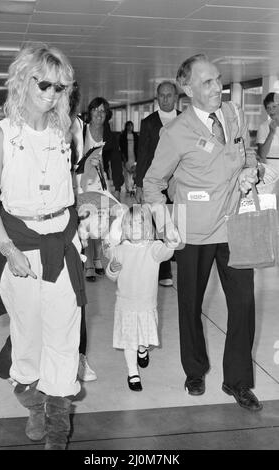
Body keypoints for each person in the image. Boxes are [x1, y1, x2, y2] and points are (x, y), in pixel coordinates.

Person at [143, 53, 263, 411]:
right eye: (208, 81)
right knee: (190, 306)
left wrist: (251, 171)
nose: (218, 87)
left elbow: (248, 154)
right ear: (187, 87)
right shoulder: (175, 133)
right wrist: (167, 228)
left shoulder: (233, 115)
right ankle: (194, 371)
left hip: (235, 226)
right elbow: (153, 183)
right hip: (193, 234)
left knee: (243, 305)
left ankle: (238, 381)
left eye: (219, 79)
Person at [0, 43, 87, 450]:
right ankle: (32, 401)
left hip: (62, 242)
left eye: (60, 88)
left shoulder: (69, 131)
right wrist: (8, 249)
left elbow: (71, 193)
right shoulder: (0, 136)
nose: (51, 93)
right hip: (21, 245)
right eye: (43, 83)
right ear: (23, 80)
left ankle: (58, 424)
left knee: (65, 332)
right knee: (28, 337)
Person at [105, 204, 180, 391]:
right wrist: (111, 270)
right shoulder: (120, 250)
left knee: (143, 337)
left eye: (140, 223)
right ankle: (133, 373)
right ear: (123, 228)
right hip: (125, 305)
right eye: (130, 224)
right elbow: (111, 274)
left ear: (148, 227)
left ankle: (143, 348)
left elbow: (166, 252)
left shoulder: (153, 247)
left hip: (147, 305)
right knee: (129, 340)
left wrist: (171, 242)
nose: (135, 227)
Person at [135, 81, 180, 287]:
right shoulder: (149, 123)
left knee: (180, 223)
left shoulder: (185, 120)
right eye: (161, 95)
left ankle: (180, 260)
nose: (165, 99)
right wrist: (139, 184)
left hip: (180, 182)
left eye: (169, 95)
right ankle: (164, 272)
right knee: (160, 225)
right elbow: (142, 155)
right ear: (157, 97)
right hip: (156, 182)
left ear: (176, 97)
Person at [75, 96, 124, 282]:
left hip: (101, 185)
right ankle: (88, 263)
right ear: (90, 112)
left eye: (102, 111)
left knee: (100, 222)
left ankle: (97, 259)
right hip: (82, 183)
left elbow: (116, 161)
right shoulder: (81, 131)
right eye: (95, 110)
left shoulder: (110, 136)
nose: (98, 114)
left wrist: (118, 185)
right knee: (85, 222)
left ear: (107, 115)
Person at [68, 82, 97, 382]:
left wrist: (84, 218)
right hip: (37, 225)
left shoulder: (77, 126)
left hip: (71, 219)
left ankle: (79, 358)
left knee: (77, 295)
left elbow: (83, 173)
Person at [257, 92, 279, 171]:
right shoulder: (263, 127)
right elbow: (262, 154)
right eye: (268, 108)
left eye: (274, 106)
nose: (271, 110)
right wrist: (271, 133)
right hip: (270, 172)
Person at [119, 120, 138, 195]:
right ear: (126, 126)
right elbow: (121, 148)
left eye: (131, 125)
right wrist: (123, 158)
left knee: (134, 173)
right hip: (126, 157)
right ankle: (128, 188)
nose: (130, 127)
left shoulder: (135, 136)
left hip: (133, 156)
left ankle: (133, 188)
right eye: (128, 125)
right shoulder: (123, 136)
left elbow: (138, 147)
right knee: (126, 173)